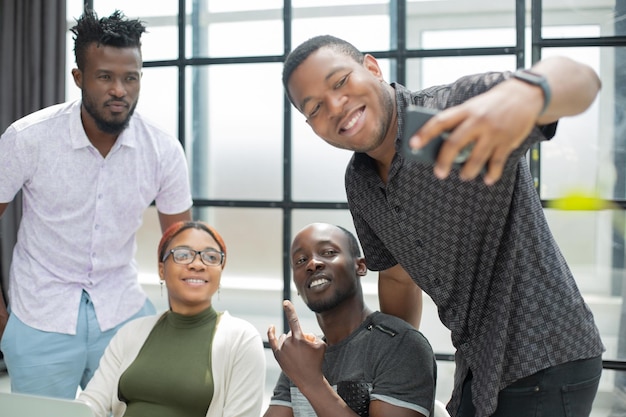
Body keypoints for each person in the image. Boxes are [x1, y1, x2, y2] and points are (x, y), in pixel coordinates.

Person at [282, 35, 605, 417]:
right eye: (316, 106)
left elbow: (581, 79)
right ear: (310, 124)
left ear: (372, 68)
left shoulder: (451, 109)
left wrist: (529, 92)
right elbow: (398, 277)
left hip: (544, 352)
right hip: (478, 365)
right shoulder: (360, 181)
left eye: (340, 82)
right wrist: (390, 364)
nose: (336, 106)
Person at [0, 10, 192, 398]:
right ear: (79, 78)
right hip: (38, 313)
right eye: (105, 76)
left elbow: (182, 246)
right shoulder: (28, 138)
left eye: (130, 77)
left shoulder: (163, 149)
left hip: (121, 312)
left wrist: (183, 328)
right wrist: (2, 319)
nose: (119, 89)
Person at [78, 220, 266, 417]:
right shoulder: (131, 333)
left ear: (220, 271)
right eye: (183, 255)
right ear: (161, 269)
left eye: (211, 257)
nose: (197, 264)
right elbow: (91, 404)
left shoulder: (242, 339)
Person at [264, 222, 436, 417]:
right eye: (301, 260)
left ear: (361, 266)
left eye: (328, 252)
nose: (313, 264)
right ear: (296, 282)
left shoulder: (401, 344)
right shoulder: (301, 356)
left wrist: (311, 381)